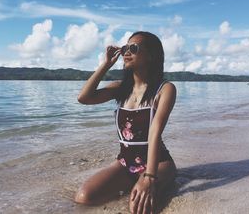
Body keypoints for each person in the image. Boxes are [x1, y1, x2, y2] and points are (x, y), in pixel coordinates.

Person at [75, 31, 177, 214]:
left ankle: (157, 185)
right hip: (124, 163)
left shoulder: (165, 89)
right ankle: (134, 184)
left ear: (151, 55)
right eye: (125, 48)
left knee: (136, 208)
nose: (126, 52)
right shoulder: (120, 88)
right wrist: (106, 64)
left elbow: (155, 133)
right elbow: (84, 98)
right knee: (84, 197)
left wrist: (149, 177)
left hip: (158, 163)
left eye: (133, 48)